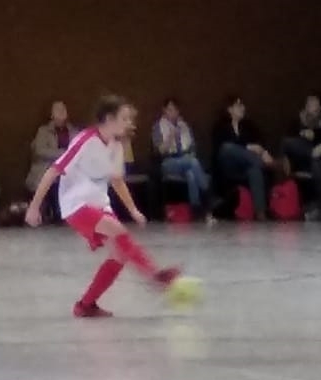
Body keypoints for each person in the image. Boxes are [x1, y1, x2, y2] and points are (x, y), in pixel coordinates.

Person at [25, 94, 196, 318]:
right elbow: (53, 171)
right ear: (108, 119)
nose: (129, 123)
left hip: (99, 203)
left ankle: (85, 305)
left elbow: (117, 180)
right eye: (124, 118)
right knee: (118, 231)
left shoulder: (117, 146)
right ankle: (155, 275)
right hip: (75, 203)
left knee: (119, 254)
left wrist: (133, 209)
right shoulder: (85, 139)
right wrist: (34, 207)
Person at [213, 96, 276, 220]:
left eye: (242, 105)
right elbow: (219, 149)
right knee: (227, 147)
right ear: (229, 109)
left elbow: (260, 143)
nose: (242, 108)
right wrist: (247, 147)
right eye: (238, 105)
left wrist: (263, 151)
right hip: (228, 166)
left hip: (246, 166)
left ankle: (260, 212)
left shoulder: (249, 126)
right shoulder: (220, 126)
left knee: (254, 170)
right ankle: (264, 163)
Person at [153, 97, 212, 222]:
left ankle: (195, 210)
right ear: (164, 111)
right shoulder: (158, 126)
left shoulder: (184, 126)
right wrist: (171, 136)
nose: (172, 113)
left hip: (185, 159)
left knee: (191, 174)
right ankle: (207, 199)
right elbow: (160, 151)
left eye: (175, 110)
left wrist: (190, 154)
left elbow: (193, 147)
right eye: (169, 110)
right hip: (168, 161)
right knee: (193, 163)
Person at [282, 91, 321, 220]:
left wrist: (315, 136)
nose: (311, 105)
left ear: (320, 107)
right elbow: (288, 144)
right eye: (309, 102)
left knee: (317, 160)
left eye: (314, 102)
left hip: (319, 161)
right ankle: (318, 155)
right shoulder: (297, 121)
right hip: (302, 160)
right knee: (288, 142)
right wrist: (304, 136)